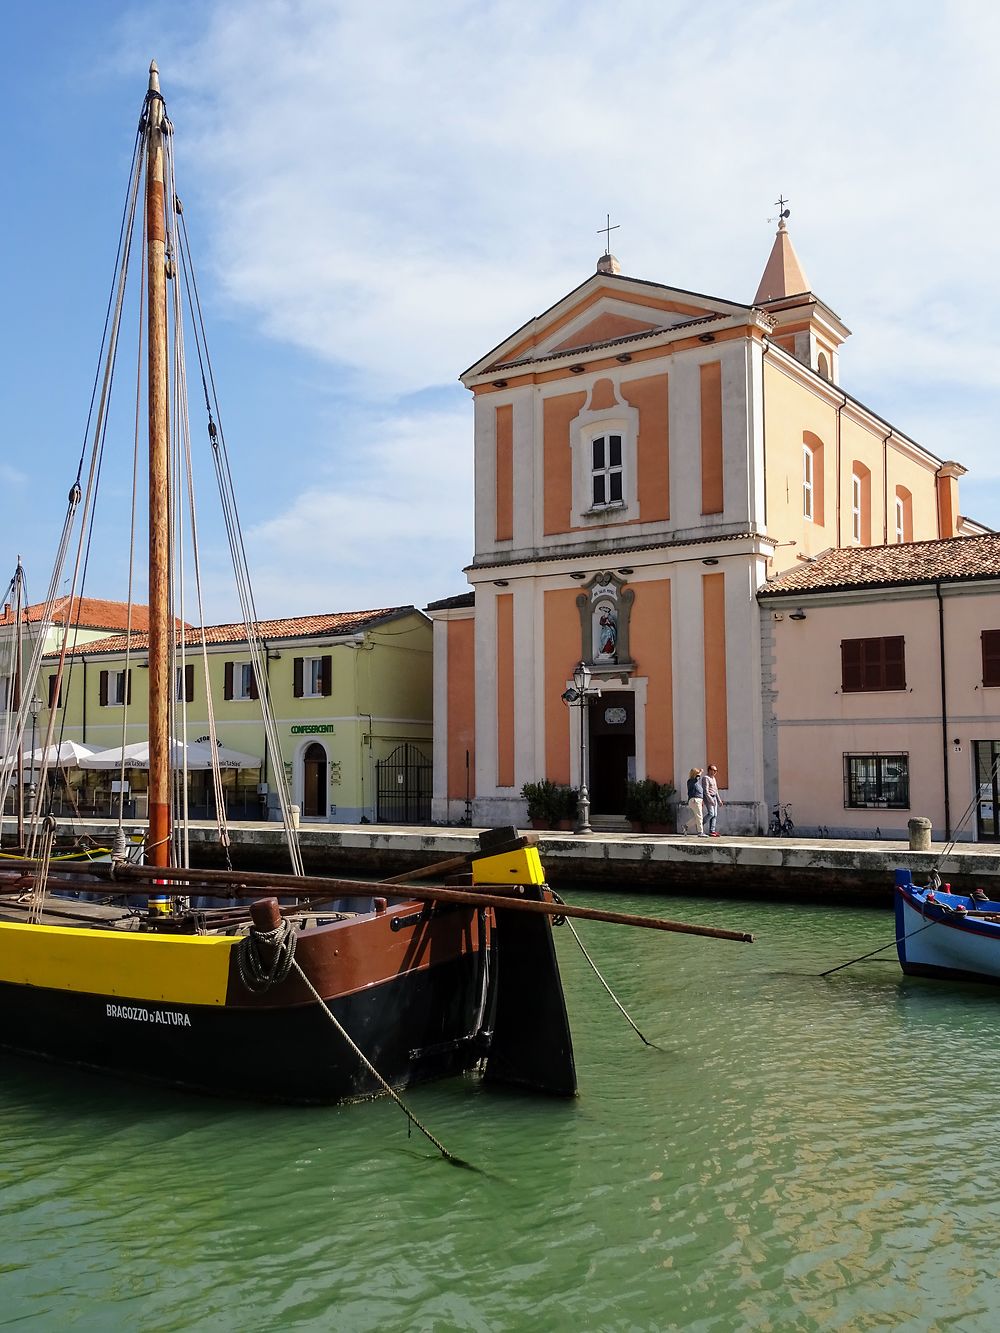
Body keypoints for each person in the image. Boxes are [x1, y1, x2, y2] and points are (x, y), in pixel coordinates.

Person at [704, 764, 723, 837]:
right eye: (713, 770)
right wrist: (710, 799)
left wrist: (719, 800)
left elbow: (716, 790)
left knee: (715, 815)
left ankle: (712, 831)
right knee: (711, 813)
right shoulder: (706, 778)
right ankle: (701, 823)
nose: (715, 772)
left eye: (716, 770)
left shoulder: (713, 778)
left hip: (714, 797)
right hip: (709, 797)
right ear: (709, 770)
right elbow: (706, 791)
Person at [685, 768, 705, 836]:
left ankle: (686, 826)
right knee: (699, 816)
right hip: (695, 800)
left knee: (698, 817)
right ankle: (700, 832)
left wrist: (702, 801)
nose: (698, 775)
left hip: (698, 800)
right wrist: (701, 772)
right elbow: (697, 778)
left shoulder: (696, 783)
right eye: (697, 773)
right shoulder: (691, 781)